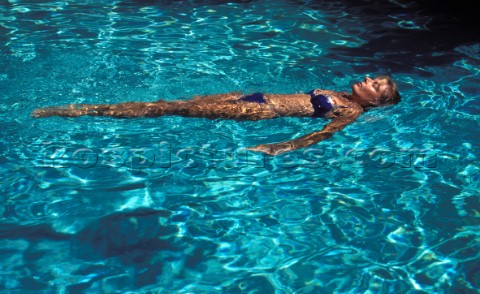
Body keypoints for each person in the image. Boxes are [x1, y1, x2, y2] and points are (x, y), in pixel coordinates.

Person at [32, 76, 401, 155]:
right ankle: (85, 110)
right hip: (248, 96)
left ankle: (79, 111)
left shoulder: (350, 110)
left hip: (258, 110)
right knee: (172, 101)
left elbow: (322, 135)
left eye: (376, 84)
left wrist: (282, 147)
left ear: (376, 101)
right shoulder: (339, 92)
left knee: (167, 109)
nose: (369, 79)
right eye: (374, 77)